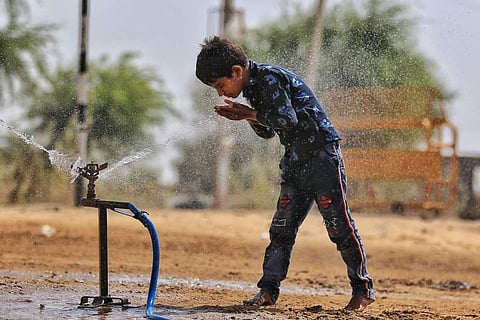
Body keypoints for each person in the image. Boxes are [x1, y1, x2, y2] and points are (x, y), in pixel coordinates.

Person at [195, 36, 375, 312]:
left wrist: (249, 114)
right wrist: (247, 116)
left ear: (236, 71)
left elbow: (286, 120)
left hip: (322, 157)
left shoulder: (268, 79)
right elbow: (269, 131)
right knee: (281, 229)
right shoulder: (252, 89)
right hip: (295, 161)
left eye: (221, 85)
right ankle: (268, 289)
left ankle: (362, 289)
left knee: (338, 224)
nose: (222, 93)